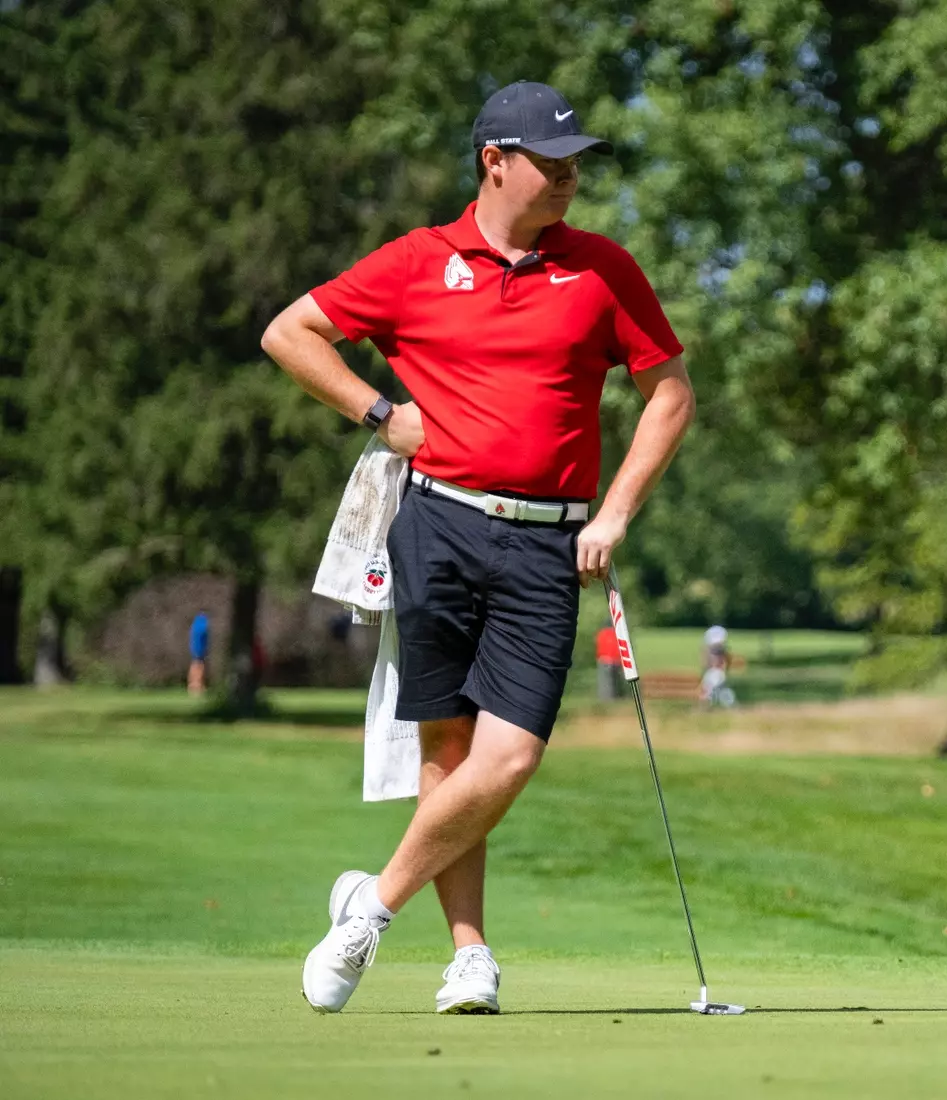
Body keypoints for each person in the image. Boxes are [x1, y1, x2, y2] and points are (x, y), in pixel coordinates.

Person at [260, 81, 694, 1015]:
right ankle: (469, 957)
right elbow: (289, 332)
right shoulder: (419, 263)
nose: (571, 176)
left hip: (548, 543)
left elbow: (670, 394)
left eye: (577, 161)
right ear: (494, 161)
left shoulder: (602, 271)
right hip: (438, 525)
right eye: (552, 159)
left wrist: (614, 513)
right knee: (448, 748)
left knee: (512, 756)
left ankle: (367, 909)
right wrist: (378, 412)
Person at [699, 624, 736, 708]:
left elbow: (705, 661)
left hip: (716, 673)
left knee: (713, 690)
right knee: (721, 691)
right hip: (715, 672)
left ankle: (707, 706)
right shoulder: (718, 650)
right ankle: (728, 706)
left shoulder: (714, 651)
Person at [595, 622, 622, 701]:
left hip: (603, 660)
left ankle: (605, 698)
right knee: (615, 681)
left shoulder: (601, 633)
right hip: (615, 661)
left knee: (604, 681)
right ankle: (614, 697)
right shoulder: (616, 634)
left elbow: (599, 646)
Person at [186, 611, 209, 696]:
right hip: (199, 649)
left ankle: (194, 685)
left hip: (195, 648)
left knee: (195, 665)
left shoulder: (196, 624)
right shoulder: (203, 624)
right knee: (199, 666)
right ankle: (196, 686)